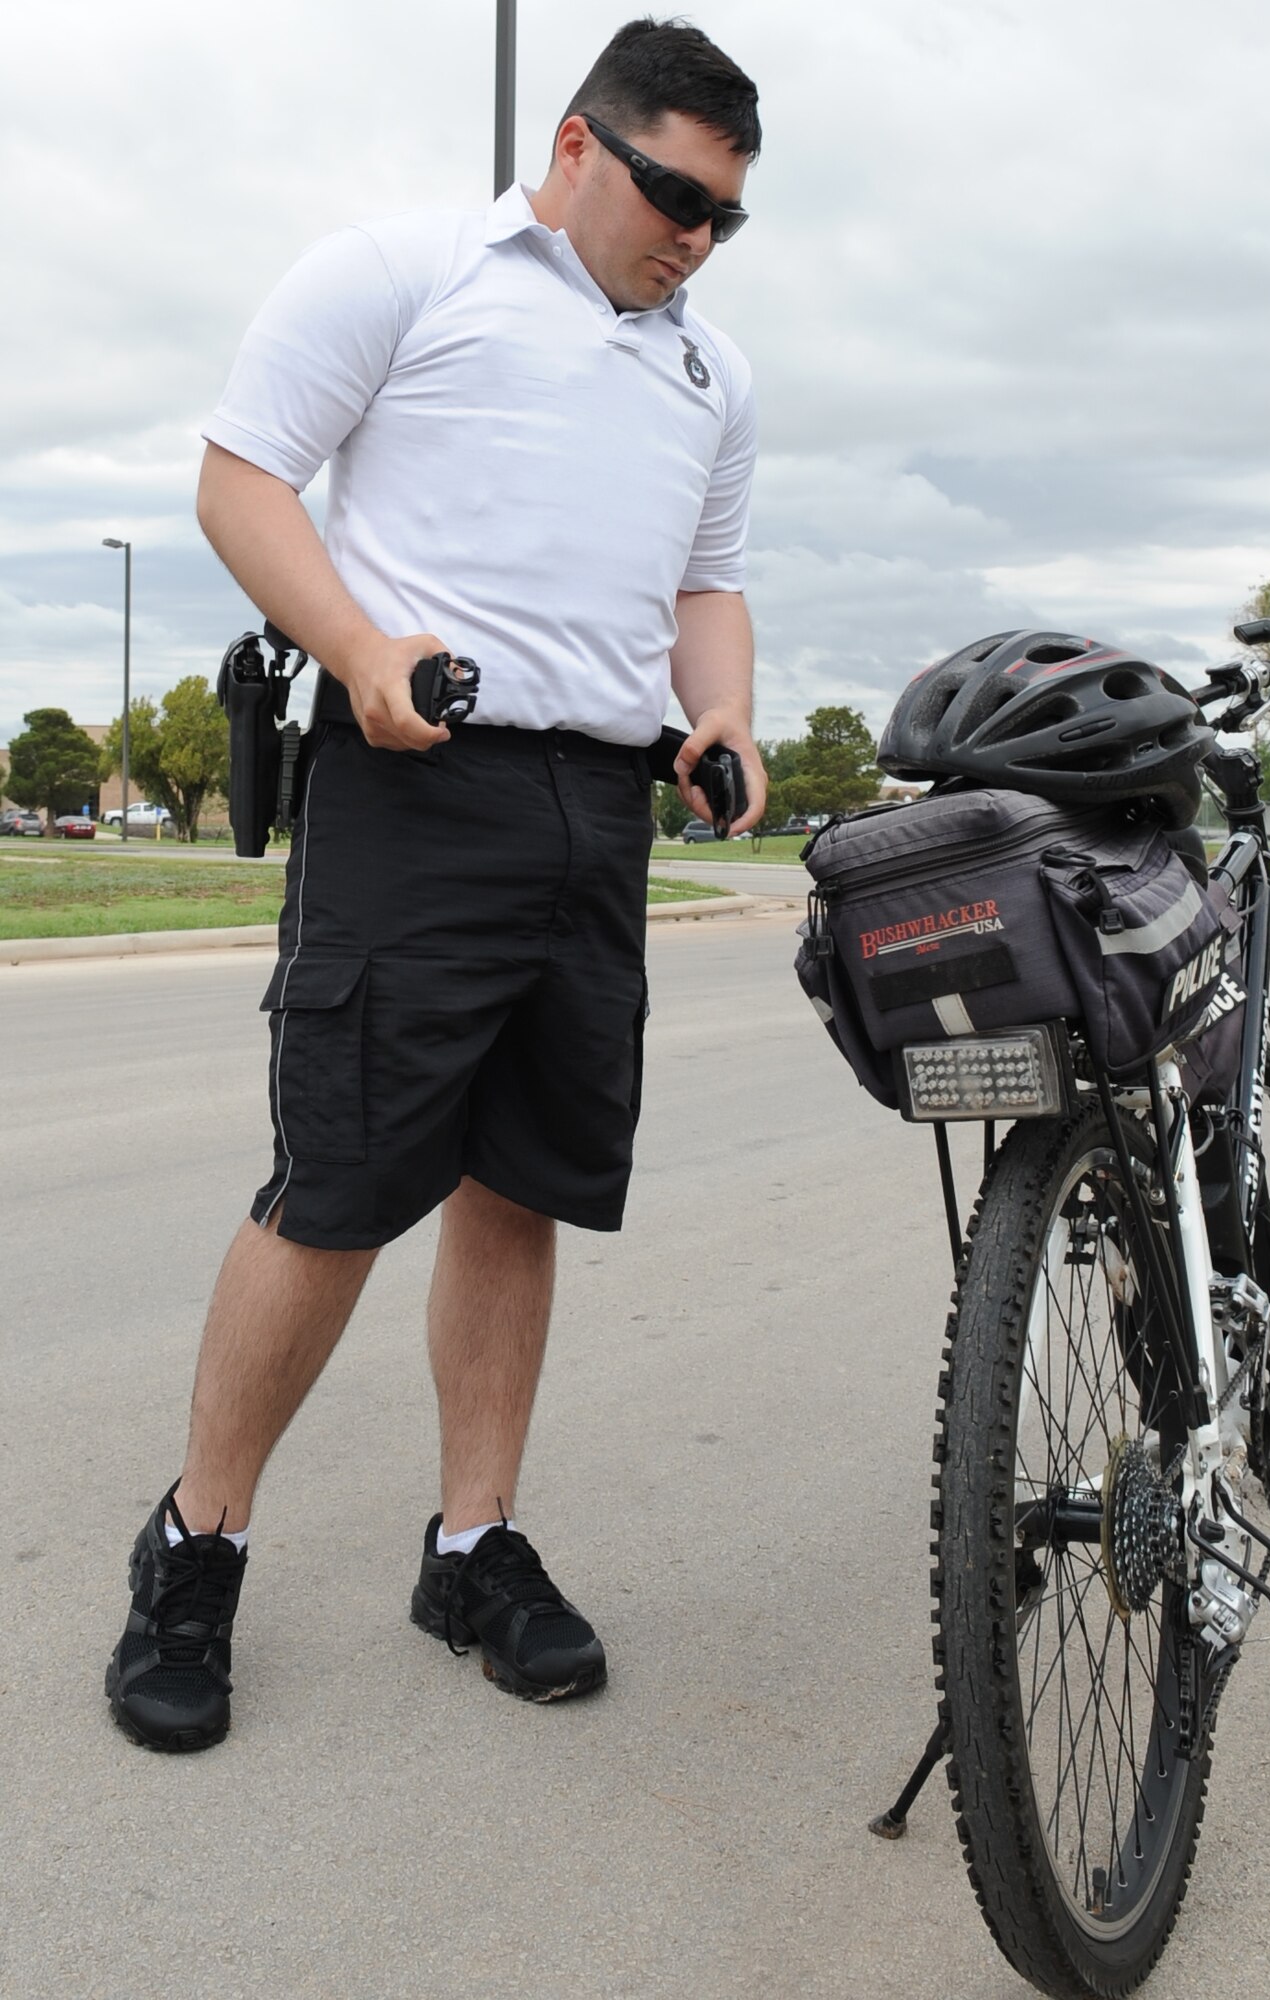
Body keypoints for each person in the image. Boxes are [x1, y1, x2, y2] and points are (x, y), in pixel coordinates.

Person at [105, 16, 766, 1752]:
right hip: (415, 784)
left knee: (517, 1184)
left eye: (727, 218)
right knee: (337, 1184)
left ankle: (471, 1549)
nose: (695, 238)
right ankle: (196, 1548)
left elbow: (710, 582)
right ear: (574, 148)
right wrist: (357, 643)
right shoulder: (403, 272)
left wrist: (722, 717)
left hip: (593, 814)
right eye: (674, 196)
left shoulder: (713, 375)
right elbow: (239, 478)